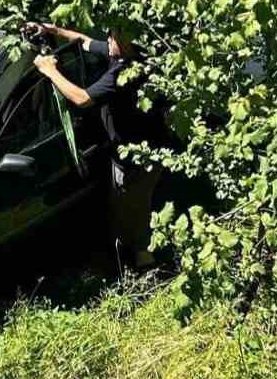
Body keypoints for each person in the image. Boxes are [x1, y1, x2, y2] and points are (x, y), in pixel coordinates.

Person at [23, 19, 171, 272]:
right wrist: (52, 30)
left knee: (132, 206)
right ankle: (127, 243)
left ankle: (141, 256)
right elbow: (85, 41)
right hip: (134, 148)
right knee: (125, 201)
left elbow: (82, 99)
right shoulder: (126, 54)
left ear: (125, 44)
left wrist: (50, 71)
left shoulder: (125, 73)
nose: (108, 41)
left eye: (112, 37)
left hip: (137, 158)